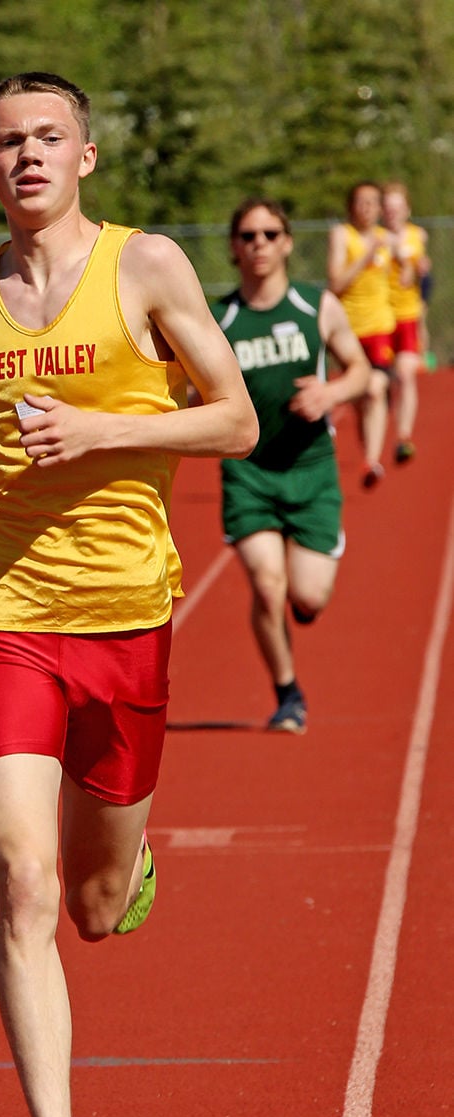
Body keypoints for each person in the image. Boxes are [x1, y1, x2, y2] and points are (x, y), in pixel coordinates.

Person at [0, 71, 258, 1117]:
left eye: (48, 137)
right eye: (6, 142)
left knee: (97, 908)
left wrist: (107, 427)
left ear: (85, 156)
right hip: (2, 615)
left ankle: (132, 864)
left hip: (127, 617)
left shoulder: (145, 266)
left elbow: (236, 419)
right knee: (24, 884)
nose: (27, 157)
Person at [213, 198, 370, 734]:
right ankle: (288, 694)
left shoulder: (315, 305)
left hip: (311, 467)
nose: (259, 244)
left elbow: (361, 371)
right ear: (234, 246)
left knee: (307, 596)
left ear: (287, 241)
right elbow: (186, 387)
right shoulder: (220, 317)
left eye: (270, 234)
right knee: (266, 583)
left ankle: (302, 602)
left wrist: (330, 393)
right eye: (248, 235)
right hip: (249, 471)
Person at [327, 180, 395, 488]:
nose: (366, 208)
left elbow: (403, 279)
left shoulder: (387, 239)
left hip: (381, 326)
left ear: (380, 208)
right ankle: (370, 448)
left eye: (372, 202)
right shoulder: (343, 236)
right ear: (351, 206)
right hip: (349, 329)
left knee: (375, 389)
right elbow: (336, 283)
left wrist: (414, 268)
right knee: (359, 397)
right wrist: (366, 257)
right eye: (361, 202)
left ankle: (372, 460)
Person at [381, 181, 431, 463]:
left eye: (397, 209)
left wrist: (414, 263)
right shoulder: (375, 238)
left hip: (407, 314)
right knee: (383, 379)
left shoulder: (416, 235)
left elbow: (417, 276)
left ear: (406, 210)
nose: (392, 214)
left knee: (406, 374)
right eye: (388, 209)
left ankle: (403, 436)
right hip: (380, 316)